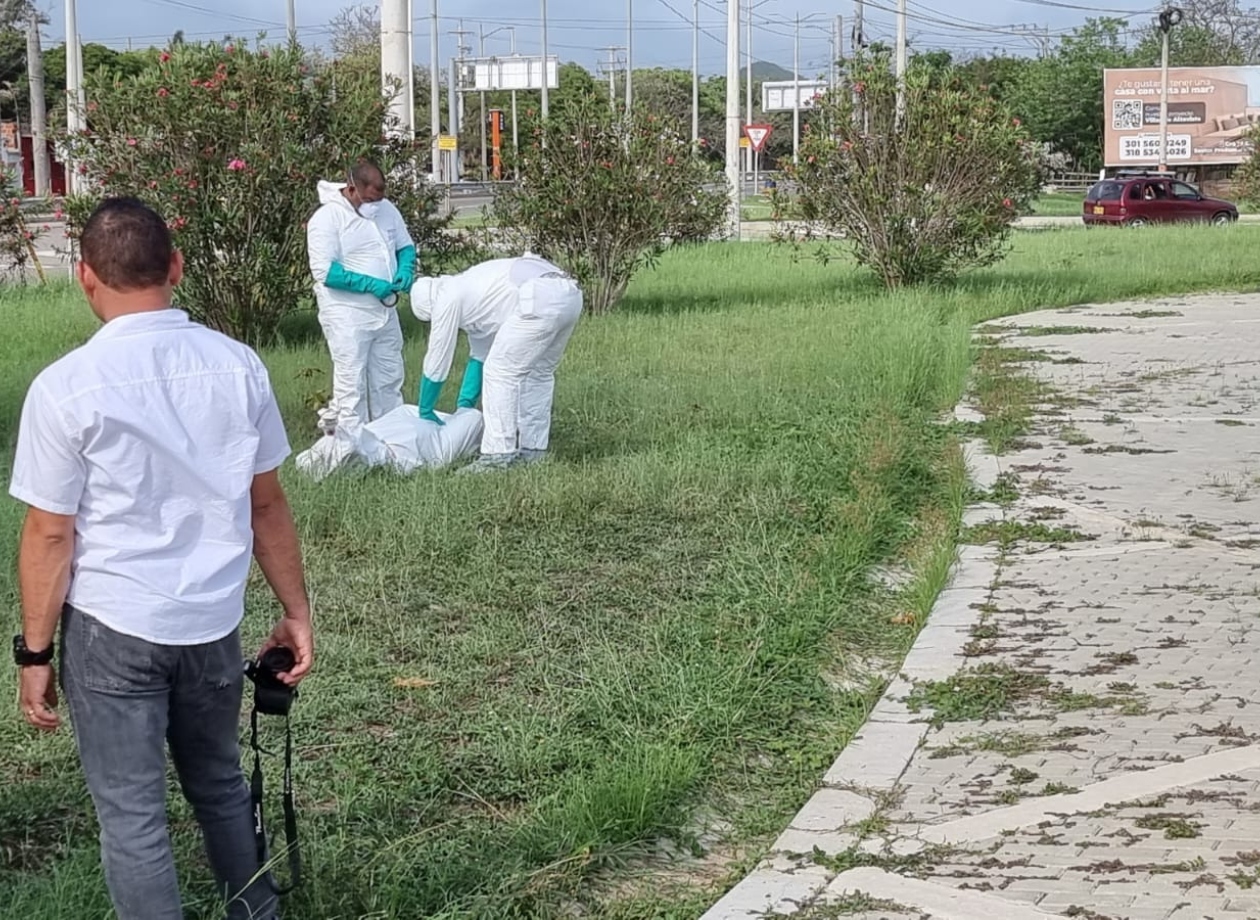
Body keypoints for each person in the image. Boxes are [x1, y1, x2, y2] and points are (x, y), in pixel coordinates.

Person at [10, 197, 314, 920]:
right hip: (210, 622)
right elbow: (265, 504)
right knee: (219, 784)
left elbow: (51, 535)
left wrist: (34, 654)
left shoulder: (64, 388)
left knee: (134, 815)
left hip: (114, 625)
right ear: (176, 267)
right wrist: (295, 611)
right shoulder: (239, 365)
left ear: (84, 277)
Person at [410, 253, 583, 472]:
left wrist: (425, 409)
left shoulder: (447, 296)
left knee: (500, 373)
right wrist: (465, 407)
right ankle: (534, 450)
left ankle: (498, 454)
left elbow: (437, 357)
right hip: (568, 294)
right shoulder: (473, 289)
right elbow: (480, 356)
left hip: (538, 297)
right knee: (538, 374)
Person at [307, 159, 417, 435]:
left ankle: (392, 440)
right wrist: (371, 284)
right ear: (352, 189)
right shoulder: (327, 218)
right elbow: (325, 272)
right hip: (347, 314)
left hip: (385, 312)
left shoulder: (386, 209)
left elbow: (405, 246)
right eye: (369, 199)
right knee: (351, 383)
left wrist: (404, 268)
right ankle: (352, 445)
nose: (374, 206)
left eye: (379, 199)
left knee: (389, 377)